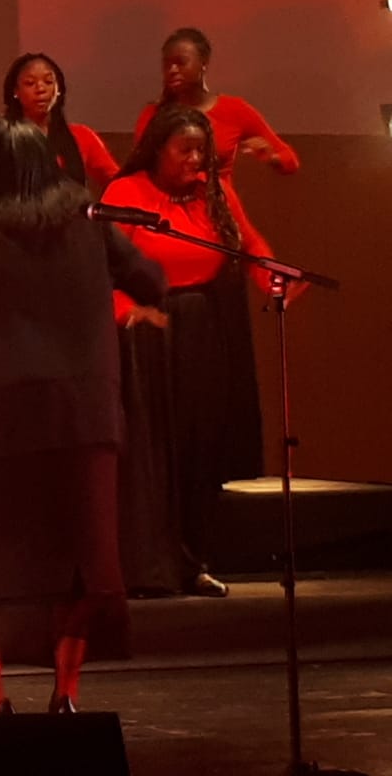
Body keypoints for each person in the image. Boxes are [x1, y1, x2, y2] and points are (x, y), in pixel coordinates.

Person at [0, 117, 165, 714]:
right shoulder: (88, 221)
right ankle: (66, 692)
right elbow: (150, 280)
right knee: (84, 562)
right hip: (84, 416)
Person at [104, 103, 282, 598]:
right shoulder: (126, 192)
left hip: (200, 326)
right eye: (186, 149)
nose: (196, 159)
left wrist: (274, 280)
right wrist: (128, 312)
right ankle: (148, 563)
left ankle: (194, 560)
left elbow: (250, 243)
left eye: (202, 150)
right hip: (147, 328)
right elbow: (102, 266)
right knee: (155, 451)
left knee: (199, 446)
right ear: (158, 149)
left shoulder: (214, 192)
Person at [132, 27, 298, 204]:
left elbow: (290, 161)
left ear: (203, 63)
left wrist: (271, 158)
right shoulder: (154, 114)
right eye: (167, 65)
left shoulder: (234, 110)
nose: (172, 70)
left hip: (216, 208)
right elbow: (137, 170)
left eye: (181, 62)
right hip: (167, 208)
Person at [2, 52, 117, 192]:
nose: (41, 89)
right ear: (15, 91)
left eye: (48, 82)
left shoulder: (82, 136)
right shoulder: (1, 137)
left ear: (58, 90)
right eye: (30, 83)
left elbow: (117, 182)